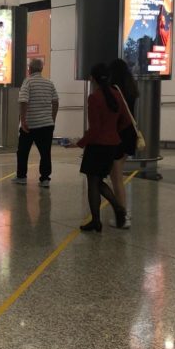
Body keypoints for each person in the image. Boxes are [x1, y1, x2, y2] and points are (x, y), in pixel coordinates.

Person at [67, 64, 130, 232]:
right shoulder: (117, 95)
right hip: (112, 145)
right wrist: (113, 131)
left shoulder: (94, 98)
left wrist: (79, 143)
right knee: (98, 181)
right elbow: (125, 121)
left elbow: (94, 129)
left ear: (92, 79)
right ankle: (116, 210)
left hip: (97, 147)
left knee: (93, 182)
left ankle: (102, 217)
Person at [15, 58, 59, 189]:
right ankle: (45, 179)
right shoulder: (49, 83)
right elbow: (56, 102)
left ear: (29, 69)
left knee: (23, 151)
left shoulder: (28, 82)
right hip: (46, 125)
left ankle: (21, 177)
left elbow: (23, 101)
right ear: (41, 69)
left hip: (30, 125)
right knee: (45, 153)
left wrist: (23, 121)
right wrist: (52, 119)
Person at [108, 58, 139, 228]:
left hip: (118, 135)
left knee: (116, 177)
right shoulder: (131, 88)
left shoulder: (115, 90)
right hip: (130, 135)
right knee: (118, 176)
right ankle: (124, 213)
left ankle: (122, 217)